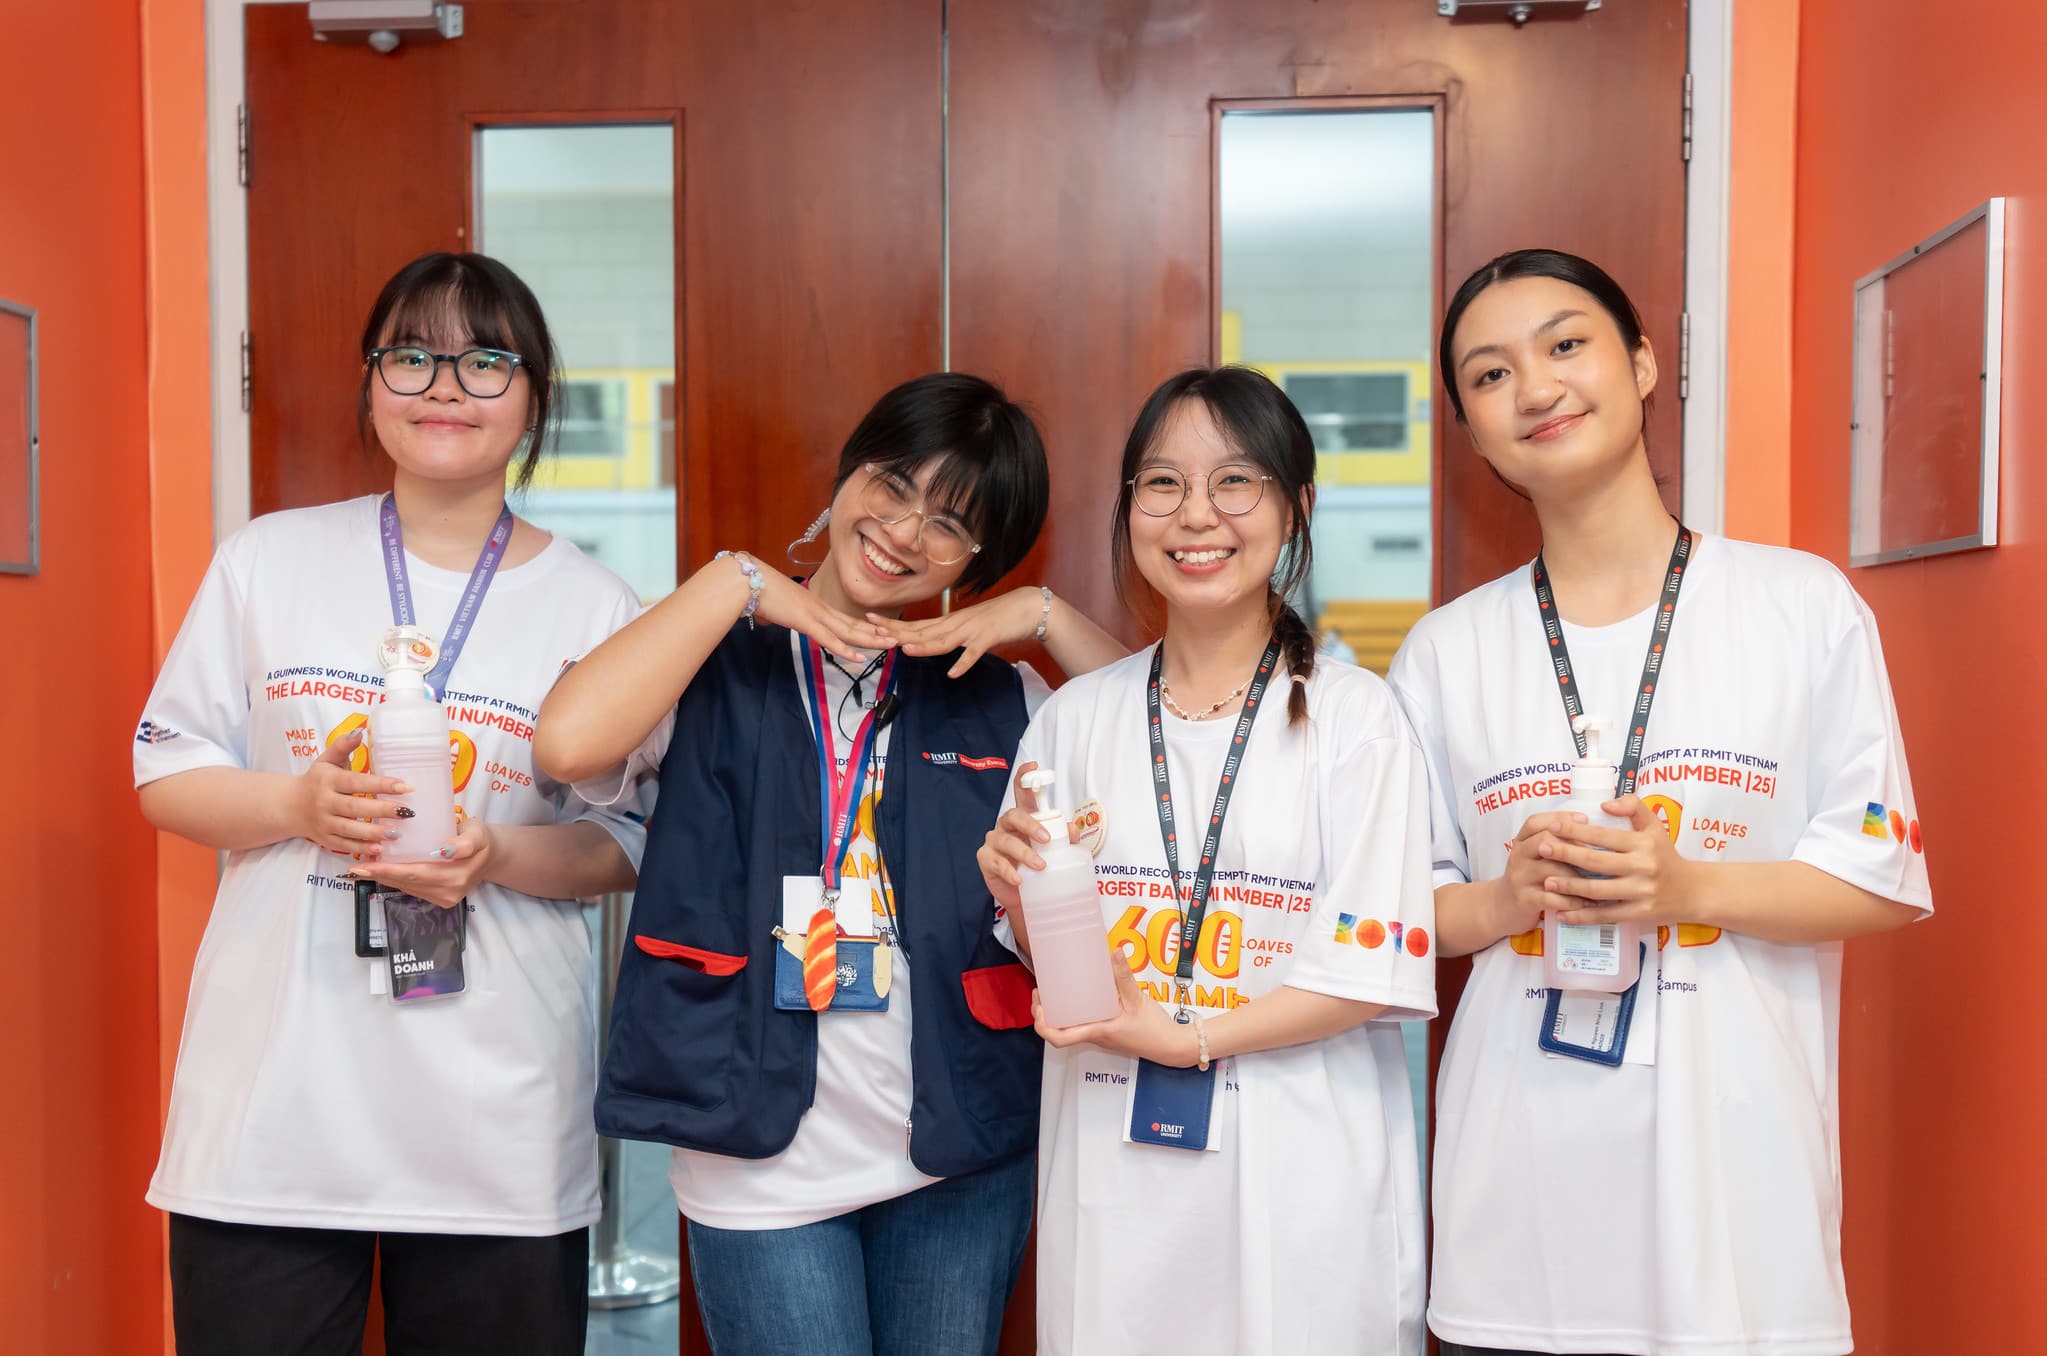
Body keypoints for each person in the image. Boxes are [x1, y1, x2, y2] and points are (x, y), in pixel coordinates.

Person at [1386, 248, 1932, 1356]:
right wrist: (1510, 898)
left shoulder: (1798, 605)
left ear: (1640, 364)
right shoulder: (1445, 654)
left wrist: (1685, 886)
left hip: (1739, 1223)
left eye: (1566, 344)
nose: (1534, 387)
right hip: (1520, 1222)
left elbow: (1880, 882)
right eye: (1488, 376)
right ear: (1472, 431)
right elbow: (1401, 918)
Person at [534, 372, 1127, 1356]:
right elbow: (566, 744)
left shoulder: (1003, 694)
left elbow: (1157, 764)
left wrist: (1043, 614)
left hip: (960, 1152)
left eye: (949, 523)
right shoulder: (704, 664)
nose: (903, 529)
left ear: (975, 558)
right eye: (892, 484)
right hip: (754, 1149)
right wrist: (739, 583)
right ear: (850, 468)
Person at [135, 251, 648, 1354]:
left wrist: (493, 860)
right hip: (275, 1107)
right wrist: (299, 804)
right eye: (411, 356)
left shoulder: (599, 608)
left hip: (495, 1119)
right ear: (371, 387)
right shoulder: (269, 560)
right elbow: (165, 775)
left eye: (485, 361)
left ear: (535, 398)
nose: (445, 387)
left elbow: (626, 841)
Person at [978, 366, 1437, 1355]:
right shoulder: (1073, 720)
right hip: (1114, 1169)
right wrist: (1016, 900)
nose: (1197, 515)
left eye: (1236, 481)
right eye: (1162, 483)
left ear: (1295, 505)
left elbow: (1365, 974)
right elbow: (1061, 969)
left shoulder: (1356, 720)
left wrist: (1180, 1036)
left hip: (1299, 1177)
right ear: (1130, 507)